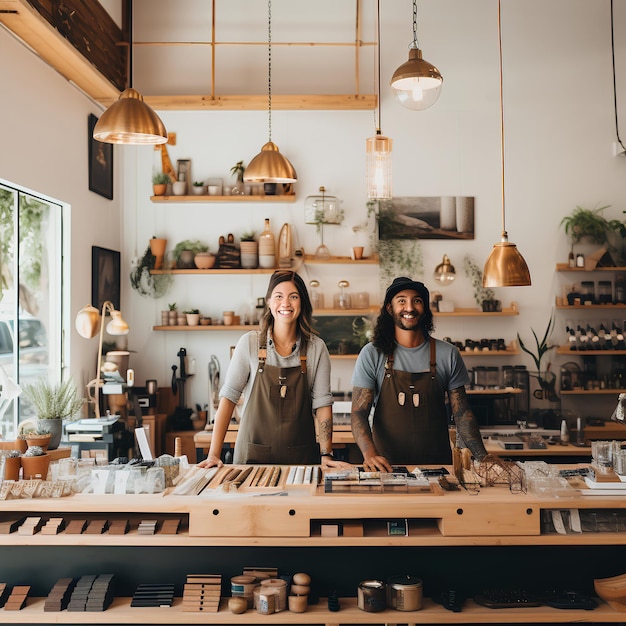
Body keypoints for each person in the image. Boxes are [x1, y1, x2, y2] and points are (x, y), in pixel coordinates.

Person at [198, 270, 350, 469]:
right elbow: (228, 399)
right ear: (269, 302)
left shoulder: (316, 348)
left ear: (302, 302)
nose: (285, 304)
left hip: (301, 461)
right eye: (279, 296)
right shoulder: (249, 343)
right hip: (252, 460)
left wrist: (326, 454)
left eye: (293, 297)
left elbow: (323, 405)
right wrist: (213, 454)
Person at [350, 276, 487, 471]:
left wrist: (483, 458)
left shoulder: (447, 354)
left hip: (438, 467)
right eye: (402, 301)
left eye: (417, 300)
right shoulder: (373, 354)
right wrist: (370, 454)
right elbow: (358, 413)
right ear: (390, 308)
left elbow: (462, 414)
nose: (410, 307)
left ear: (425, 309)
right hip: (386, 466)